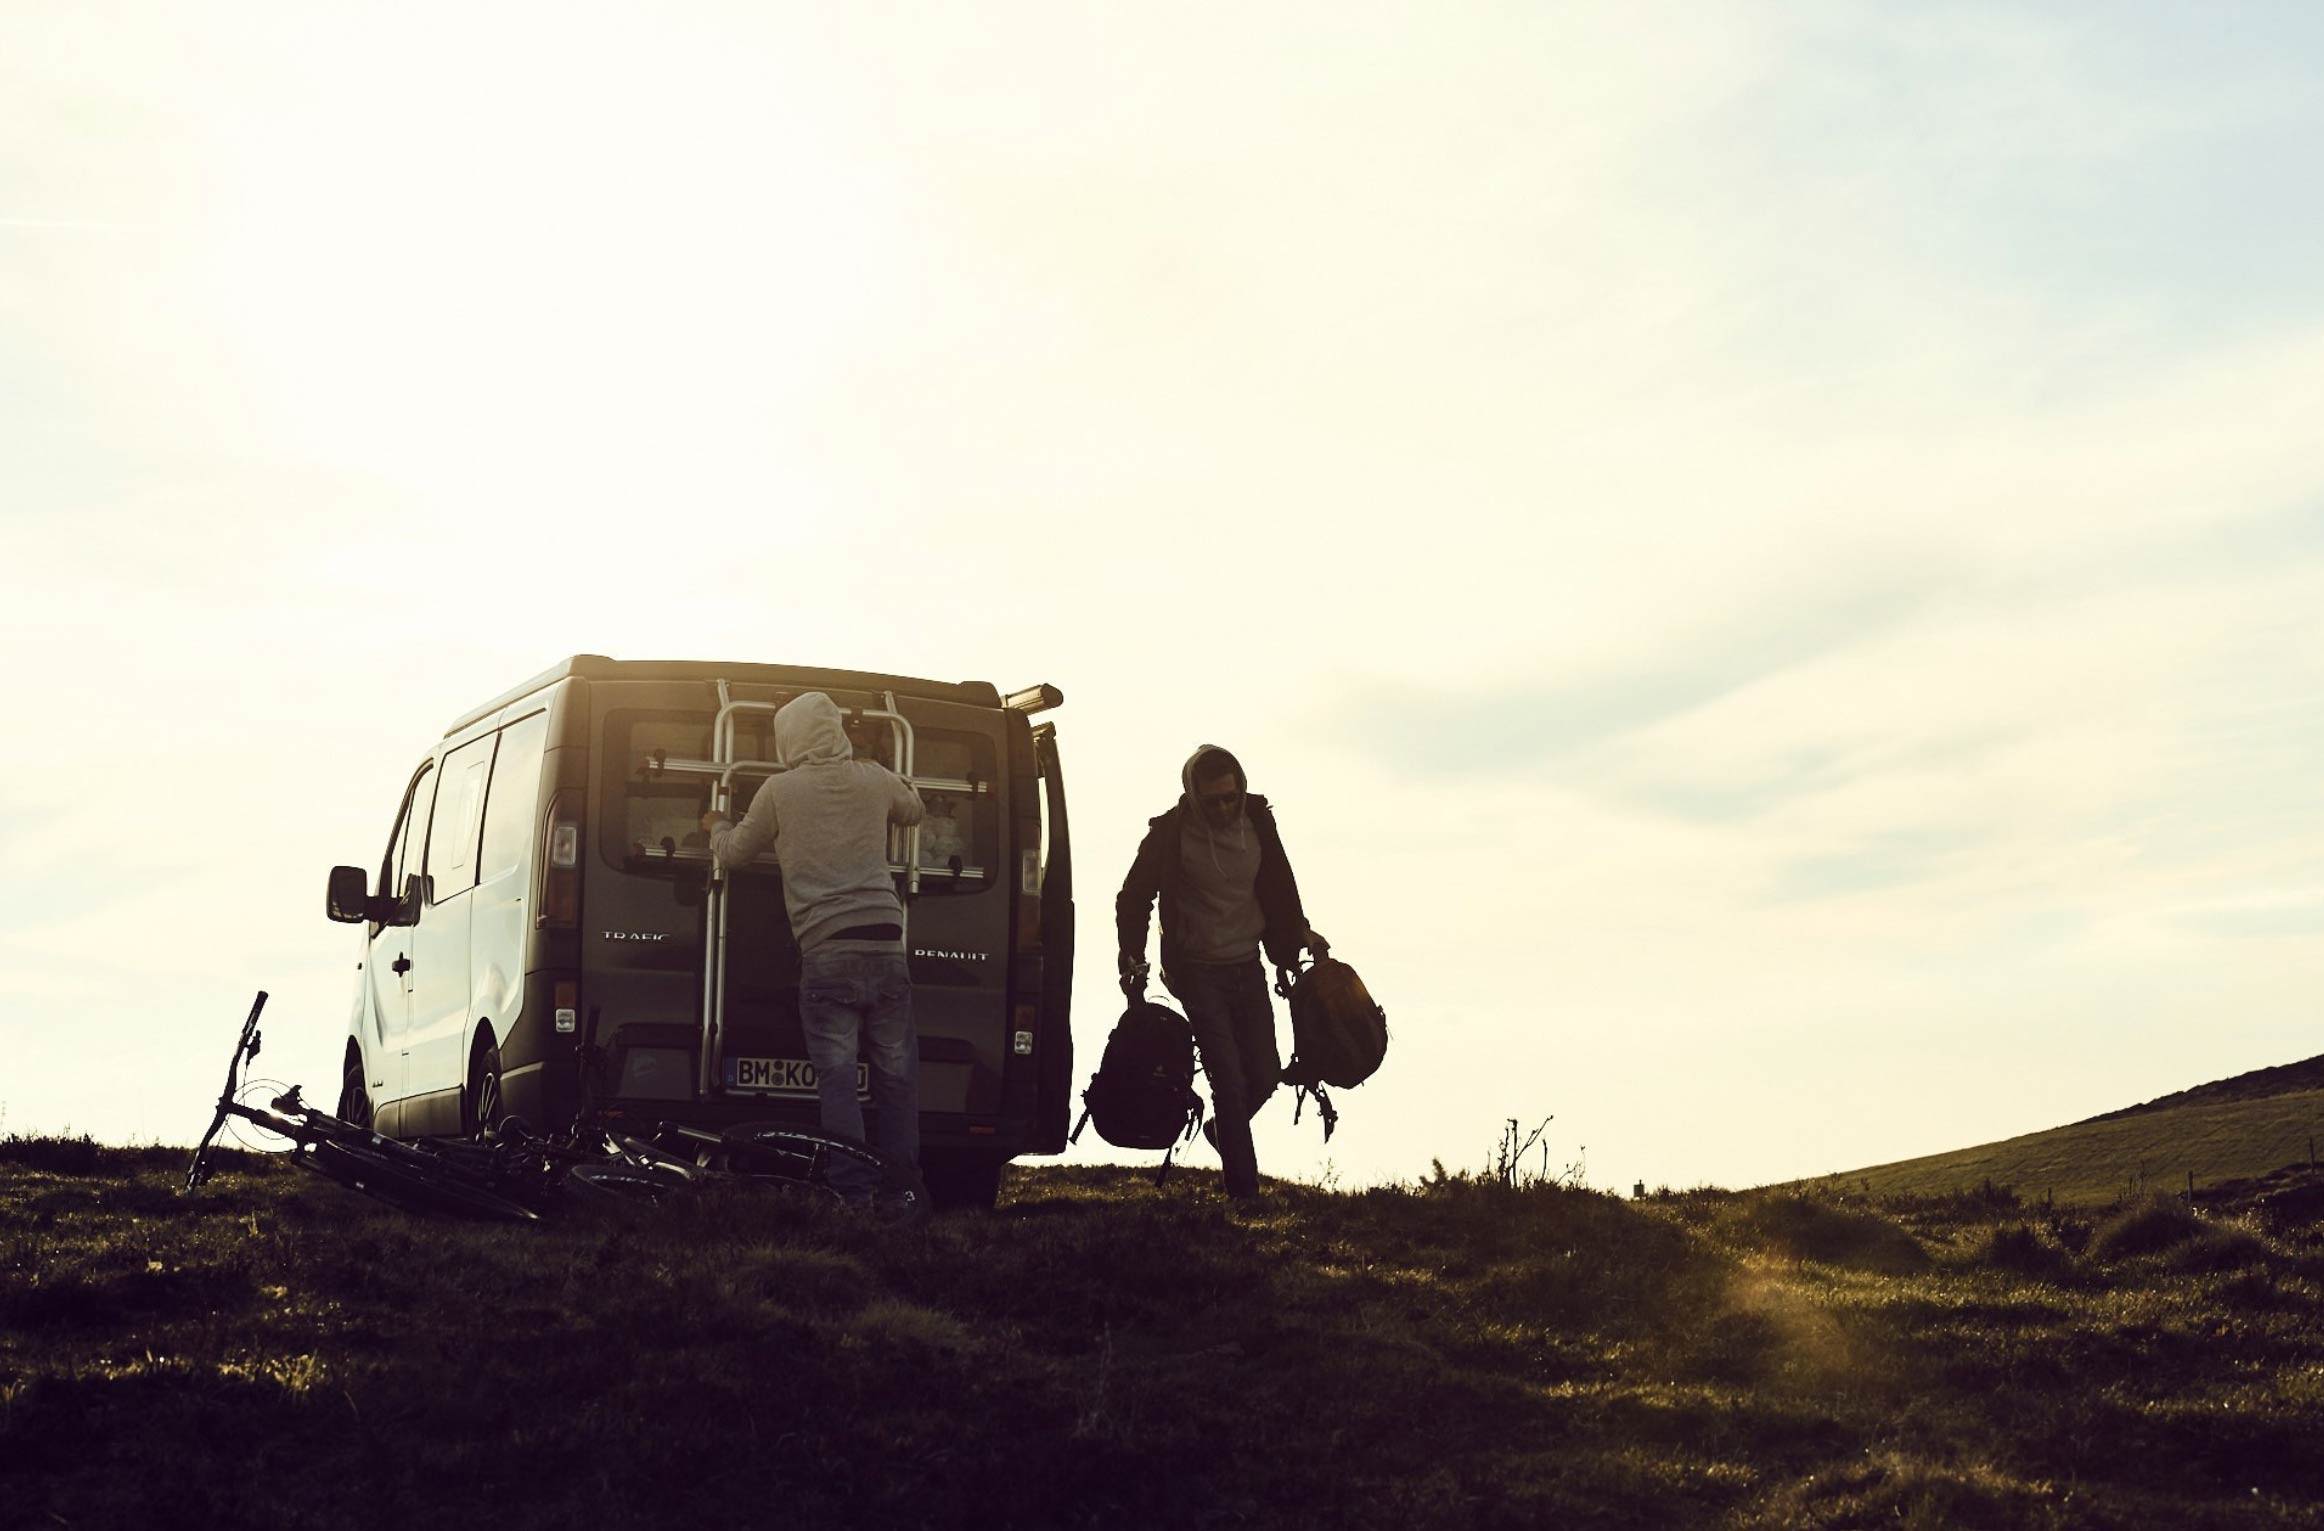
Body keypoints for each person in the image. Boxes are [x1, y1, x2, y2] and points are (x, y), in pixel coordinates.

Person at [703, 692, 926, 1208]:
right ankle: (904, 1193)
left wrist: (714, 825)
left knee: (839, 1082)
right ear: (836, 732)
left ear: (788, 739)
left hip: (826, 950)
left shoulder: (779, 791)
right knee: (897, 1078)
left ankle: (854, 1195)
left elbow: (734, 852)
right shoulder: (872, 777)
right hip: (886, 943)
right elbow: (913, 810)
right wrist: (890, 776)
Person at [1116, 744, 1326, 1200]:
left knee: (1266, 1073)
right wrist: (1131, 955)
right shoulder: (1169, 835)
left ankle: (1222, 1130)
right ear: (1193, 796)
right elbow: (1132, 897)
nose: (1225, 807)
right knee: (1228, 1081)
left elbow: (1279, 886)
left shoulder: (1259, 822)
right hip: (1196, 970)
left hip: (1246, 963)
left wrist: (1299, 937)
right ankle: (1244, 1195)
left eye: (1231, 796)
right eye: (1213, 801)